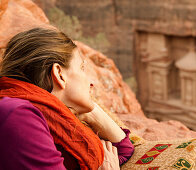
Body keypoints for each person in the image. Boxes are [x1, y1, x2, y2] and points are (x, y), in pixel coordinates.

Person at [0, 28, 134, 170]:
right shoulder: (18, 115)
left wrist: (92, 113)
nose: (91, 82)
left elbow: (122, 152)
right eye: (82, 68)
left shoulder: (53, 119)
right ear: (59, 74)